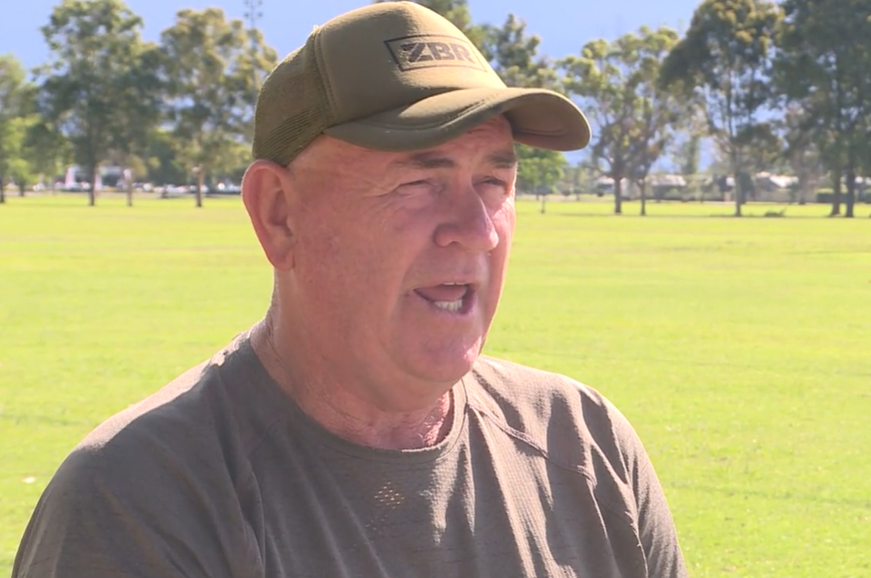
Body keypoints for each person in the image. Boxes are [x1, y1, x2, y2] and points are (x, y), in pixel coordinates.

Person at [13, 3, 687, 577]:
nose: (478, 231)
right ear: (278, 214)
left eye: (494, 182)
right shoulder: (142, 500)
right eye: (420, 181)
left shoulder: (585, 448)